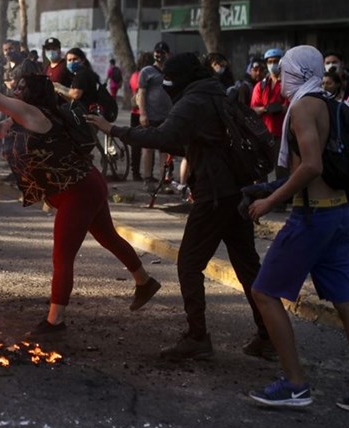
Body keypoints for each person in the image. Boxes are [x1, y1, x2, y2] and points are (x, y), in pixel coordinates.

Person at [87, 53, 272, 361]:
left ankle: (197, 336)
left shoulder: (192, 101)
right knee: (247, 265)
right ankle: (267, 335)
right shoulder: (214, 93)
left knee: (189, 264)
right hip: (236, 192)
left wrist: (113, 129)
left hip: (214, 194)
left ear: (178, 80)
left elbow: (164, 135)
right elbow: (188, 141)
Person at [0, 72, 161, 340]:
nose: (16, 90)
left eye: (21, 87)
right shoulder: (27, 116)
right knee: (109, 237)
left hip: (78, 192)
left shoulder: (32, 113)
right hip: (87, 184)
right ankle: (144, 282)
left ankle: (56, 321)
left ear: (31, 93)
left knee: (62, 256)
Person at [245, 45, 349, 409]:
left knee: (264, 292)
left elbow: (311, 166)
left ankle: (295, 383)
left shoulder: (304, 106)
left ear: (299, 72)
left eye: (286, 68)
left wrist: (270, 201)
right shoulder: (329, 102)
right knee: (345, 299)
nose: (281, 74)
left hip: (312, 217)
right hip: (337, 213)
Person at [136, 41, 174, 190]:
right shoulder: (146, 71)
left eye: (162, 52)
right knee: (148, 148)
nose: (159, 55)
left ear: (167, 54)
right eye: (157, 52)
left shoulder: (171, 71)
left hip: (167, 116)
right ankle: (148, 179)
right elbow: (142, 94)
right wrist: (142, 113)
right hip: (150, 116)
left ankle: (165, 180)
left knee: (165, 150)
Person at [250, 48, 288, 181]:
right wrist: (267, 109)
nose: (273, 64)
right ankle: (262, 196)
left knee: (282, 170)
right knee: (262, 170)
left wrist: (278, 108)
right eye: (270, 62)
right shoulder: (260, 86)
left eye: (276, 61)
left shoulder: (287, 84)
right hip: (263, 135)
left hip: (281, 135)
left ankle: (283, 200)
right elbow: (253, 109)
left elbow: (289, 106)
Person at [127, 52, 154, 181]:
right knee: (148, 145)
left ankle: (135, 172)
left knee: (135, 145)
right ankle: (147, 174)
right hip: (144, 112)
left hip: (134, 113)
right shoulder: (146, 76)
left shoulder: (134, 75)